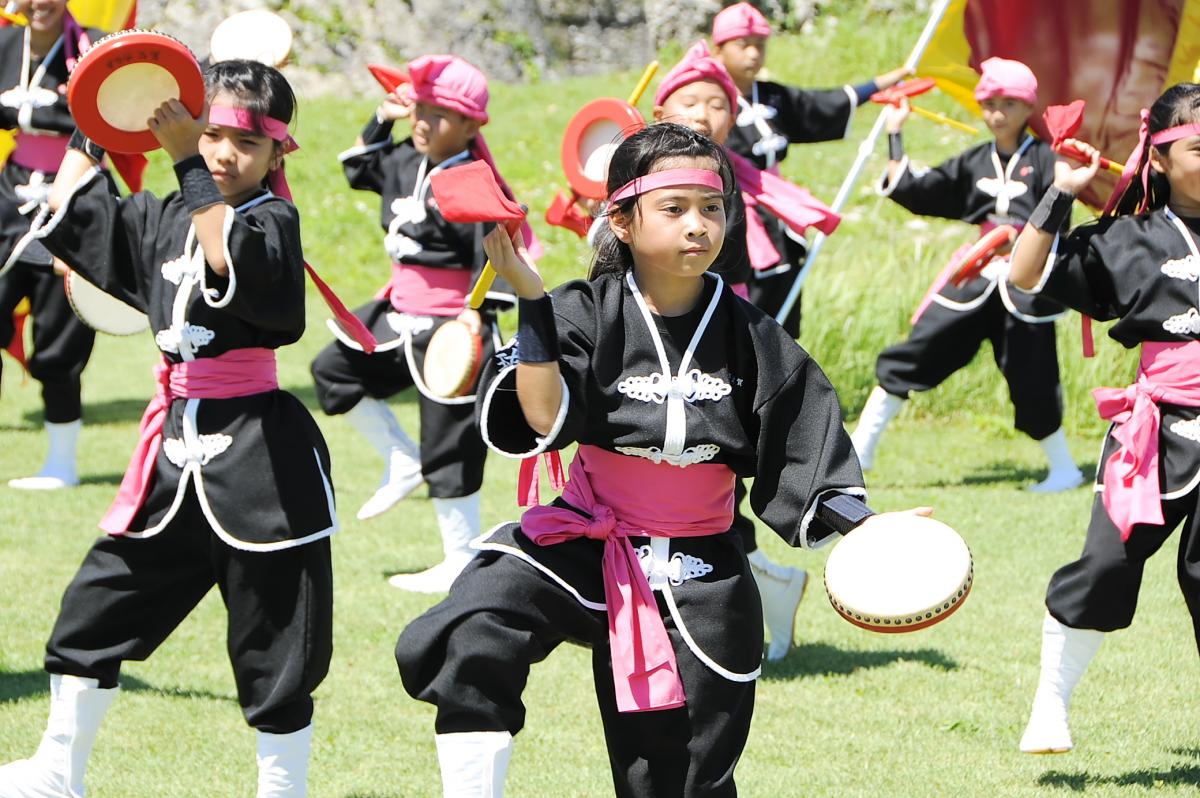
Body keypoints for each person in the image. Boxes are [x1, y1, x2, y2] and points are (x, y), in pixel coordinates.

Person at [396, 122, 924, 796]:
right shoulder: (582, 311)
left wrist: (864, 524)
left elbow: (804, 448)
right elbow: (543, 416)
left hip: (704, 571)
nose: (698, 226)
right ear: (621, 220)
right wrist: (531, 301)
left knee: (676, 775)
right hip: (588, 542)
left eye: (712, 208)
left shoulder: (756, 338)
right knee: (474, 628)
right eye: (674, 209)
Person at [0, 59, 339, 797]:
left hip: (262, 466)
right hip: (172, 456)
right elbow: (72, 206)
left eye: (245, 143)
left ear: (277, 154)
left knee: (274, 647)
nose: (224, 154)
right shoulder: (159, 216)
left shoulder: (273, 222)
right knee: (92, 611)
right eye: (209, 135)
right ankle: (57, 772)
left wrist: (185, 157)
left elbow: (229, 258)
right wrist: (95, 111)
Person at [1009, 83, 1200, 754]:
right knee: (1107, 564)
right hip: (1156, 430)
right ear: (1160, 159)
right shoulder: (1130, 239)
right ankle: (1050, 706)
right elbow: (1025, 275)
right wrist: (1061, 192)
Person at [310, 54, 528, 593]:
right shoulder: (405, 158)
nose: (424, 122)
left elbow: (493, 255)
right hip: (397, 316)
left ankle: (460, 557)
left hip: (453, 326)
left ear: (472, 126)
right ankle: (399, 456)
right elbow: (359, 168)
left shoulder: (472, 181)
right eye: (420, 110)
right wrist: (382, 118)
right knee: (333, 371)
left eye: (439, 114)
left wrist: (474, 317)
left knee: (449, 443)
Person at [652, 39, 840, 661]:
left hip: (712, 341)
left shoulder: (727, 180)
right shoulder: (638, 175)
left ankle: (726, 613)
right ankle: (768, 586)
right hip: (647, 341)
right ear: (661, 110)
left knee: (709, 474)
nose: (704, 114)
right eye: (690, 101)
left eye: (718, 104)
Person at [850, 57, 1084, 492]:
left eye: (1009, 103)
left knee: (1033, 376)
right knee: (918, 350)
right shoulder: (975, 160)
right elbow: (923, 190)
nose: (998, 113)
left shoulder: (1048, 159)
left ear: (1027, 107)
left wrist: (1020, 242)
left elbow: (1059, 218)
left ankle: (1065, 470)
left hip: (1025, 284)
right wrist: (896, 133)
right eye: (990, 103)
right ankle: (860, 449)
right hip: (974, 278)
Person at [710, 1, 909, 336]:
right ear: (719, 49)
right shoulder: (710, 98)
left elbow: (818, 105)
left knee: (783, 302)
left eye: (760, 45)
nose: (754, 54)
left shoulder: (771, 96)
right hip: (734, 214)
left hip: (778, 209)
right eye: (743, 45)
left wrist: (878, 85)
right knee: (742, 303)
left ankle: (782, 359)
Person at [0, 0, 107, 489]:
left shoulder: (94, 49)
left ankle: (61, 464)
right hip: (10, 201)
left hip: (72, 204)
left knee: (60, 344)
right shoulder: (5, 44)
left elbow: (119, 117)